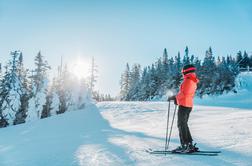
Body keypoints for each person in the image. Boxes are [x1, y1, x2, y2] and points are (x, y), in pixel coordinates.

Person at [168, 64, 199, 153]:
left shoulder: (188, 81)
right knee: (184, 124)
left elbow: (184, 94)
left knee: (181, 125)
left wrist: (175, 97)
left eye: (183, 72)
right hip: (188, 104)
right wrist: (176, 99)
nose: (182, 74)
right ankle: (189, 144)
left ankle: (185, 145)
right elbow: (186, 94)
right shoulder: (193, 80)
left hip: (184, 105)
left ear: (185, 71)